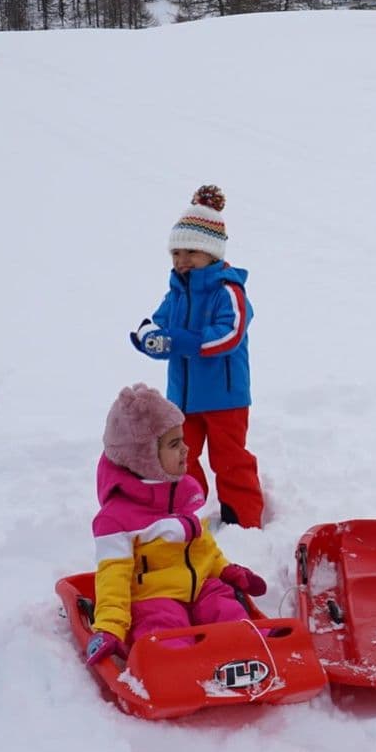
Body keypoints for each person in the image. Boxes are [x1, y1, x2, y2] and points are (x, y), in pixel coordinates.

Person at [85, 383, 269, 666]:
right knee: (163, 629)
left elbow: (201, 543)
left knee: (226, 609)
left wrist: (226, 570)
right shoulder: (117, 519)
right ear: (143, 457)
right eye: (174, 444)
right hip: (154, 597)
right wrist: (109, 626)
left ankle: (250, 652)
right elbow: (113, 577)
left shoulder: (185, 491)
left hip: (202, 587)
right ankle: (173, 666)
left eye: (182, 440)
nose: (186, 449)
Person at [130, 184, 264, 528]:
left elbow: (228, 335)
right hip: (183, 400)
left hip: (225, 399)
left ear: (212, 253)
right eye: (176, 253)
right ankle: (186, 512)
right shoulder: (176, 291)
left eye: (191, 251)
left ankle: (243, 521)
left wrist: (181, 342)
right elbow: (157, 325)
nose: (182, 261)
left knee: (230, 459)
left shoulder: (228, 291)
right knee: (178, 457)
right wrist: (149, 339)